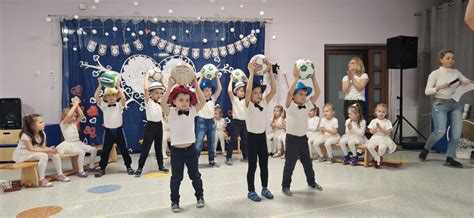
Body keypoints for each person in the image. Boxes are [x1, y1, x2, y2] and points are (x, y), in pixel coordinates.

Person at [419, 50, 473, 168]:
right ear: (441, 60)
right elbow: (427, 91)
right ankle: (426, 149)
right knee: (440, 132)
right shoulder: (435, 74)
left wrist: (467, 82)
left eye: (452, 58)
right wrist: (439, 87)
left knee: (457, 133)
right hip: (440, 104)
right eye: (448, 58)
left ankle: (450, 157)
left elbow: (464, 81)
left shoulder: (456, 72)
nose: (451, 60)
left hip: (455, 104)